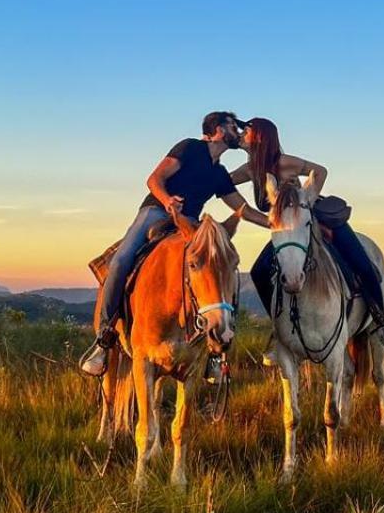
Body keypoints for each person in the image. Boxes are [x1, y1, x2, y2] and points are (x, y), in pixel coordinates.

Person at [79, 111, 270, 377]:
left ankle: (215, 352)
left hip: (189, 224)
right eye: (232, 126)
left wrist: (276, 224)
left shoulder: (220, 173)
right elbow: (154, 179)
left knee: (219, 272)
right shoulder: (190, 148)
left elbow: (243, 210)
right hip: (156, 212)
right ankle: (104, 338)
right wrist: (168, 200)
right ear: (216, 129)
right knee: (121, 261)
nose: (238, 131)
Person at [229, 117, 384, 351]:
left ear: (261, 137)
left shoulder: (284, 162)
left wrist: (309, 200)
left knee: (363, 264)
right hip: (288, 232)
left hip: (317, 219)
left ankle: (382, 323)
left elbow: (320, 171)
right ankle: (278, 331)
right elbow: (224, 182)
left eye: (247, 131)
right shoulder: (251, 170)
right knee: (259, 271)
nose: (242, 134)